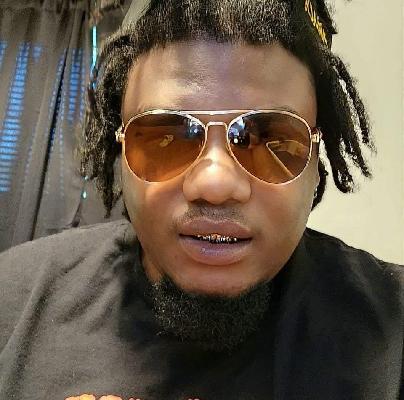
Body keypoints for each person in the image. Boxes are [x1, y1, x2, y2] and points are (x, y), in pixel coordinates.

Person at [0, 0, 402, 399]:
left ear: (316, 159)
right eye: (167, 136)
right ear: (119, 147)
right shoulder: (11, 300)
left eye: (268, 138)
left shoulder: (393, 331)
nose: (215, 184)